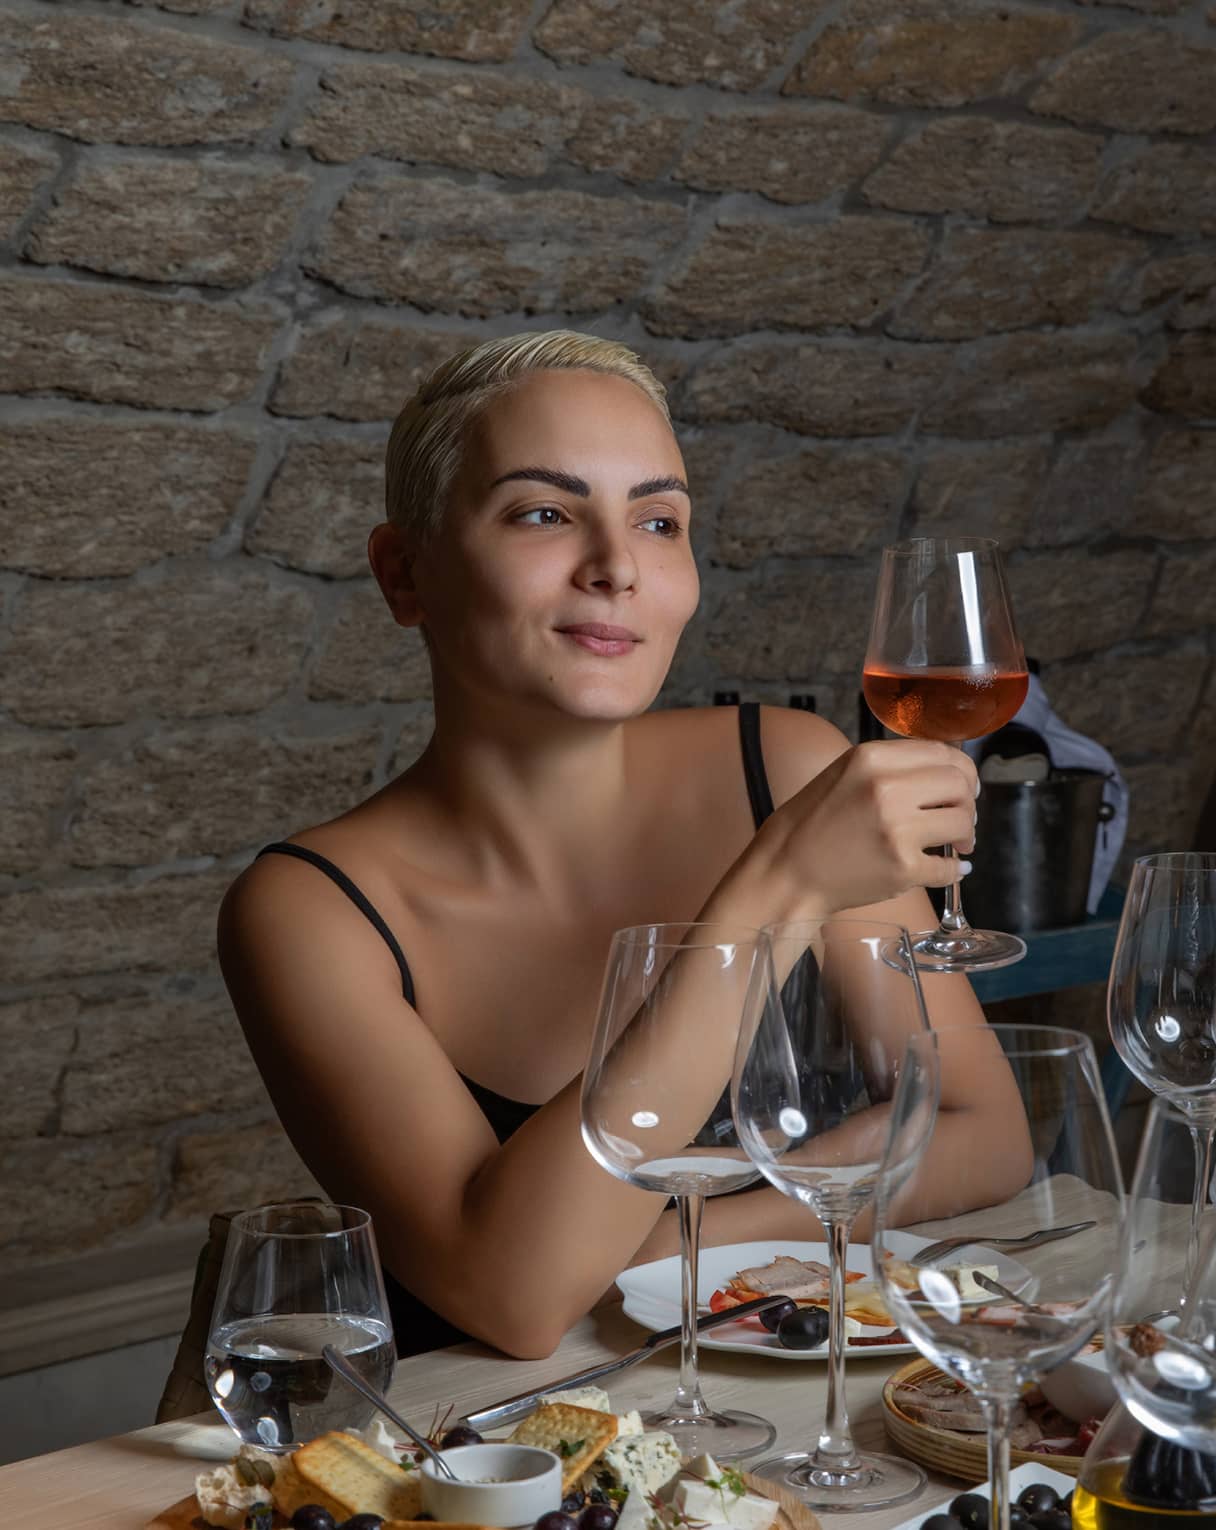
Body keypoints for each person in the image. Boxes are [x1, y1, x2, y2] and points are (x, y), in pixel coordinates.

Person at [218, 331, 1029, 1360]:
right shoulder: (306, 913)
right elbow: (517, 1297)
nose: (617, 568)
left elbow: (983, 1134)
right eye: (544, 514)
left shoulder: (787, 766)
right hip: (488, 1439)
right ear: (405, 573)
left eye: (658, 521)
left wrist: (644, 1245)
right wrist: (778, 888)